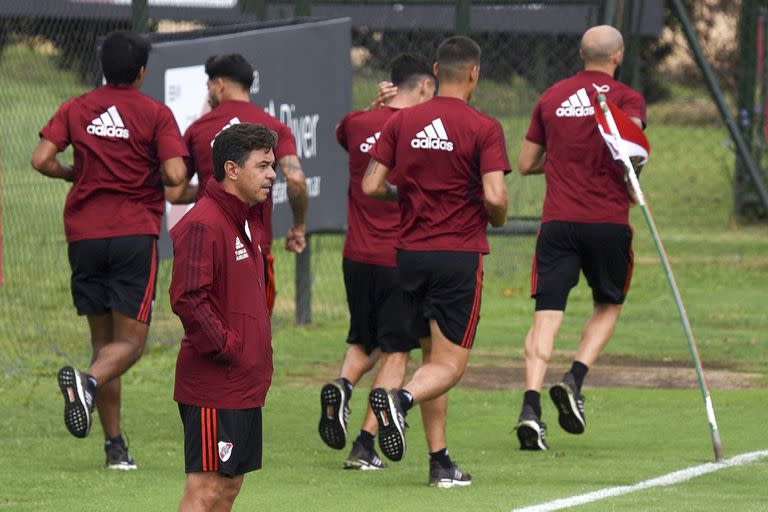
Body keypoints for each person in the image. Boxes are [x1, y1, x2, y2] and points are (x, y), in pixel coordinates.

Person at [32, 30, 187, 469]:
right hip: (133, 235)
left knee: (103, 344)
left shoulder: (77, 107)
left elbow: (40, 158)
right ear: (141, 72)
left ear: (103, 65)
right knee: (130, 347)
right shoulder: (155, 113)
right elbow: (175, 175)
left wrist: (70, 174)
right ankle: (86, 382)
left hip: (84, 234)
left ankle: (115, 446)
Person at [362, 36, 510, 487]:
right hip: (458, 255)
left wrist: (405, 193)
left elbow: (371, 186)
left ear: (435, 70)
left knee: (428, 357)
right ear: (474, 74)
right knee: (449, 368)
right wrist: (496, 216)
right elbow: (496, 197)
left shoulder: (402, 122)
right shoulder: (484, 127)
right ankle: (400, 402)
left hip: (408, 254)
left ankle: (440, 461)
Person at [514, 25, 647, 450]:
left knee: (546, 315)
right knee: (609, 303)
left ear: (580, 53)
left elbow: (526, 162)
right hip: (607, 221)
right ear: (618, 56)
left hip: (558, 224)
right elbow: (630, 154)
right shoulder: (626, 99)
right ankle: (574, 378)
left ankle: (530, 408)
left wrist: (563, 161)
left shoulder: (551, 97)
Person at [318, 53, 436, 471]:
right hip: (397, 257)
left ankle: (343, 386)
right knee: (397, 353)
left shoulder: (355, 123)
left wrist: (372, 109)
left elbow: (341, 133)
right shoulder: (418, 132)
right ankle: (365, 446)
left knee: (363, 341)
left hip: (356, 256)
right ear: (423, 86)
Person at [169, 123, 277, 511]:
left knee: (227, 489)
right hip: (216, 383)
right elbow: (187, 298)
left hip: (242, 383)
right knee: (206, 490)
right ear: (232, 170)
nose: (272, 175)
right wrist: (230, 348)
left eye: (273, 165)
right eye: (263, 166)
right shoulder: (204, 222)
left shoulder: (244, 218)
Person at [166, 53, 308, 314]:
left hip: (209, 250)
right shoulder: (273, 127)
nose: (208, 92)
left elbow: (175, 192)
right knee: (254, 338)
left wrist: (215, 189)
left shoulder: (198, 129)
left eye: (208, 85)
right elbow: (297, 180)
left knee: (211, 334)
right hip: (254, 251)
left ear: (219, 84)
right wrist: (298, 227)